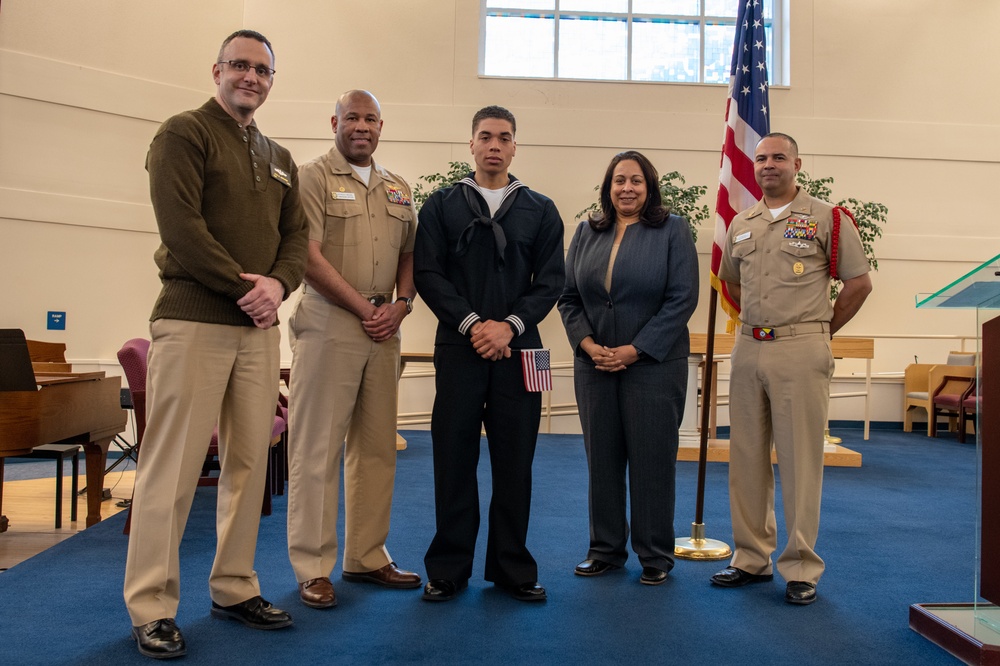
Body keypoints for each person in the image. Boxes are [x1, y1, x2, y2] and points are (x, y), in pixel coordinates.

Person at [123, 30, 308, 659]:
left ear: (271, 80)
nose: (251, 77)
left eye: (262, 70)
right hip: (194, 320)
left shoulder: (279, 154)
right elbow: (181, 228)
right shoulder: (184, 133)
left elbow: (296, 234)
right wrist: (245, 288)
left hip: (257, 331)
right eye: (240, 65)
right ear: (217, 70)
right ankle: (151, 605)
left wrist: (279, 284)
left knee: (249, 465)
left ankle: (233, 586)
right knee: (171, 469)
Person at [711, 132, 872, 605]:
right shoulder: (743, 222)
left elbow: (858, 284)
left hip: (801, 348)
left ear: (797, 163)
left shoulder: (827, 218)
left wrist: (821, 330)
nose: (768, 165)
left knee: (801, 459)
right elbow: (733, 286)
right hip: (749, 347)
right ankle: (750, 558)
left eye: (778, 157)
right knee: (745, 457)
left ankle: (801, 566)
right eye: (761, 158)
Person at [414, 105, 565, 603]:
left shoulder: (540, 209)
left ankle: (513, 568)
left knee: (515, 462)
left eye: (504, 137)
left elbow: (551, 283)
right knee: (452, 459)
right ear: (472, 144)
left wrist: (509, 327)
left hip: (523, 352)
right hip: (459, 347)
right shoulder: (441, 205)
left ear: (515, 146)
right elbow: (428, 275)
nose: (494, 145)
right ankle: (448, 569)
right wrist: (474, 324)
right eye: (485, 136)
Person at [286, 90, 420, 609]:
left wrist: (401, 304)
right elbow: (307, 257)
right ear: (335, 122)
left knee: (377, 447)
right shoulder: (312, 178)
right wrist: (367, 311)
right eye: (351, 118)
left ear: (381, 126)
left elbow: (410, 253)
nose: (361, 126)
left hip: (385, 326)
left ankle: (367, 556)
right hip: (331, 323)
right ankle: (312, 566)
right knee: (317, 448)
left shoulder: (397, 187)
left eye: (370, 119)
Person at [557, 150, 699, 585]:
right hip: (594, 365)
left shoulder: (673, 230)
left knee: (652, 461)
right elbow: (569, 297)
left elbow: (682, 298)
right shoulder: (586, 232)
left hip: (653, 366)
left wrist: (633, 350)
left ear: (649, 187)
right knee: (602, 459)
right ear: (608, 187)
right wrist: (588, 345)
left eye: (636, 181)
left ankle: (655, 555)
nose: (627, 188)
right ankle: (605, 550)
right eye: (619, 180)